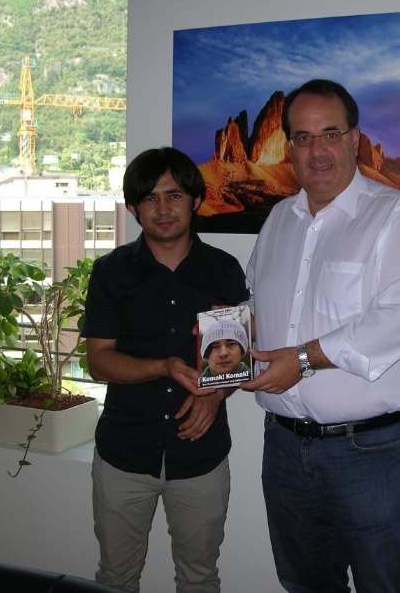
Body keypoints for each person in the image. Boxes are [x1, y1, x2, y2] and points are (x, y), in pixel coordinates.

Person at [241, 79, 400, 592]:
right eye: (303, 137)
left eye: (330, 134)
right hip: (285, 449)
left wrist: (302, 359)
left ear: (355, 139)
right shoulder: (278, 219)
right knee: (305, 584)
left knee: (386, 584)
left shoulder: (396, 216)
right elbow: (256, 303)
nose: (317, 151)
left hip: (373, 451)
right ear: (288, 146)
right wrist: (224, 341)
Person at [82, 147, 249, 593]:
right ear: (133, 208)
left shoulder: (224, 270)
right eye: (149, 198)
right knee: (115, 579)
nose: (162, 208)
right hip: (124, 452)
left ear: (196, 200)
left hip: (200, 455)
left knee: (199, 578)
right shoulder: (110, 273)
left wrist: (214, 395)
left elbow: (235, 356)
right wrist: (164, 366)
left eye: (174, 195)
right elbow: (98, 361)